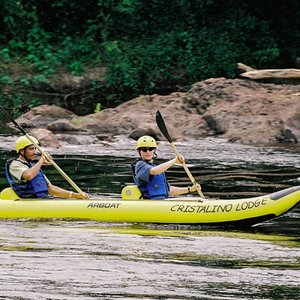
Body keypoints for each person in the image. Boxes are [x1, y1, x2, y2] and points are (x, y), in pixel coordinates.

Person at [5, 135, 89, 199]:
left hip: (40, 200)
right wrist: (41, 160)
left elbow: (50, 189)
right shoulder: (15, 165)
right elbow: (29, 175)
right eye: (31, 149)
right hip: (26, 201)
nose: (35, 152)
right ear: (22, 151)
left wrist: (75, 195)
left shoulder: (33, 166)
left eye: (35, 149)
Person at [132, 135, 201, 200]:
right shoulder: (140, 165)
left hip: (163, 201)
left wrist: (189, 189)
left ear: (154, 151)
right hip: (151, 202)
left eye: (150, 149)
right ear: (139, 151)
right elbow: (154, 171)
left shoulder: (156, 167)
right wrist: (174, 160)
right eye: (144, 149)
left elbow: (169, 190)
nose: (148, 152)